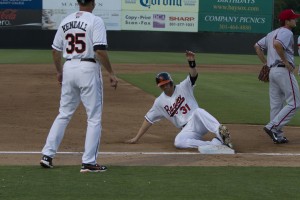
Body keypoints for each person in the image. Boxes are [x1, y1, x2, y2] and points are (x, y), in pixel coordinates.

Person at [40, 0, 118, 173]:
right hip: (88, 68)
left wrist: (59, 71)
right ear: (93, 3)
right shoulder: (95, 20)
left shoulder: (66, 20)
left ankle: (47, 155)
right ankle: (88, 162)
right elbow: (99, 50)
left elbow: (55, 51)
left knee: (64, 114)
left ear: (77, 2)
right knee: (94, 117)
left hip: (69, 67)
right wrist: (111, 73)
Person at [126, 51, 233, 153]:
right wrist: (136, 137)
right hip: (188, 129)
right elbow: (148, 120)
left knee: (198, 111)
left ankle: (221, 134)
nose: (165, 86)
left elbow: (193, 75)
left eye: (167, 83)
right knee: (178, 142)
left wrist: (191, 62)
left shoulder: (184, 86)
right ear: (160, 86)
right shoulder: (159, 102)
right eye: (162, 85)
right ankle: (214, 144)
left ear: (171, 81)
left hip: (198, 121)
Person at [254, 9, 300, 144]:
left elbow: (257, 46)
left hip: (272, 71)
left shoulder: (271, 33)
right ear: (287, 20)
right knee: (295, 102)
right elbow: (277, 44)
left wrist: (266, 64)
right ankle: (272, 127)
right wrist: (286, 62)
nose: (296, 20)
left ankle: (278, 136)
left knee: (276, 105)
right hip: (282, 71)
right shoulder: (286, 32)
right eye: (293, 18)